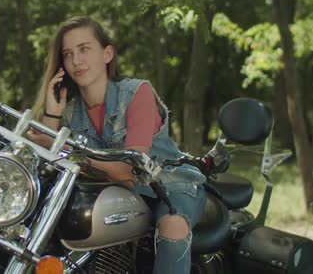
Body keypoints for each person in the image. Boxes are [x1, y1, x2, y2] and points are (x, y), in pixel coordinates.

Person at [28, 16, 207, 274]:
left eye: (84, 49)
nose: (76, 61)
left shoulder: (137, 94)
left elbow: (129, 172)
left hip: (169, 187)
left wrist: (64, 147)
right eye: (68, 54)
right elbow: (47, 168)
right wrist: (52, 113)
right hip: (113, 195)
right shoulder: (69, 112)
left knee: (173, 224)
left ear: (107, 53)